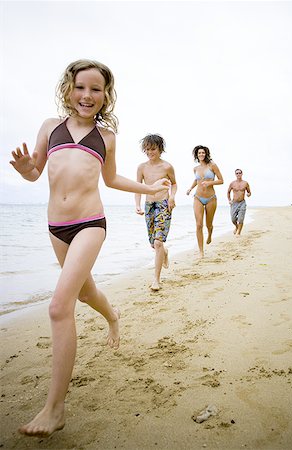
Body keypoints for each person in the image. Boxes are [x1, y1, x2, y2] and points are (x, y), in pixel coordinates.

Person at [9, 59, 170, 438]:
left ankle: (55, 408)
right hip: (55, 227)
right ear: (69, 89)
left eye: (96, 89)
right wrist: (22, 170)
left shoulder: (106, 137)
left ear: (105, 96)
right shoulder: (50, 127)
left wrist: (148, 189)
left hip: (89, 225)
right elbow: (35, 172)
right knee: (84, 293)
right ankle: (112, 316)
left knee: (58, 305)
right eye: (81, 87)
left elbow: (111, 179)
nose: (87, 95)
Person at [135, 134, 177, 291]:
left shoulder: (167, 167)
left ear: (160, 149)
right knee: (154, 244)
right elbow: (137, 187)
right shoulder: (142, 167)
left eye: (153, 149)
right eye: (147, 149)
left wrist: (172, 197)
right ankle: (164, 252)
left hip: (163, 205)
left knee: (158, 242)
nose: (150, 152)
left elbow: (174, 184)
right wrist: (137, 205)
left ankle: (156, 280)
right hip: (149, 205)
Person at [186, 145, 223, 258]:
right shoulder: (195, 168)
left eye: (203, 152)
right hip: (198, 197)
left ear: (206, 154)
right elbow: (196, 180)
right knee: (198, 225)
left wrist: (209, 183)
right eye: (199, 153)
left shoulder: (212, 165)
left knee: (208, 224)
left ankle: (210, 233)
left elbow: (221, 180)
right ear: (196, 155)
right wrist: (190, 188)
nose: (201, 154)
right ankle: (201, 251)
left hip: (211, 198)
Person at [227, 168, 251, 236]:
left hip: (242, 203)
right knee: (233, 219)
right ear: (235, 174)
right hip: (234, 203)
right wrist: (229, 200)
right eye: (237, 173)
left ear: (242, 174)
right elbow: (228, 192)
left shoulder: (245, 183)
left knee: (240, 219)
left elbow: (249, 192)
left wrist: (249, 194)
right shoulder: (232, 183)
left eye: (239, 173)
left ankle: (238, 233)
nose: (238, 174)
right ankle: (237, 227)